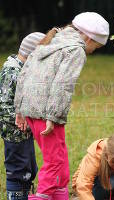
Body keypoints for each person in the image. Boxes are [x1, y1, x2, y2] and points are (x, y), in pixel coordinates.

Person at [14, 12, 109, 200]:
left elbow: (24, 74)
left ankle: (59, 195)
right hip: (47, 114)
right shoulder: (75, 50)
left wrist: (20, 109)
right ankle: (41, 197)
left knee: (61, 161)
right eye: (95, 47)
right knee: (55, 162)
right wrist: (52, 116)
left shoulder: (52, 41)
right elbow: (62, 85)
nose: (92, 51)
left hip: (31, 111)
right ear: (89, 38)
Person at [0, 32, 45, 200]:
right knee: (18, 171)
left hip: (24, 132)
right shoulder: (12, 71)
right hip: (14, 133)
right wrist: (20, 122)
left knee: (29, 169)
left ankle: (25, 194)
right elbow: (4, 106)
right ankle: (17, 196)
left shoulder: (22, 69)